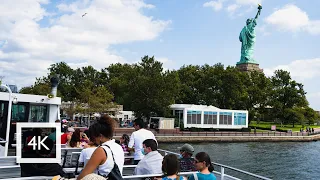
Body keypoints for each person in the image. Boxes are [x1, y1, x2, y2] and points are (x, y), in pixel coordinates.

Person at [77, 115, 124, 180]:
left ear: (100, 136)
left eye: (93, 137)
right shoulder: (118, 147)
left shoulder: (101, 150)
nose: (93, 140)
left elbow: (84, 175)